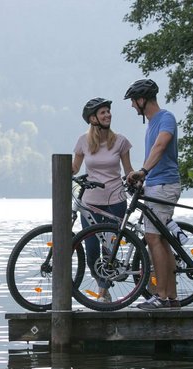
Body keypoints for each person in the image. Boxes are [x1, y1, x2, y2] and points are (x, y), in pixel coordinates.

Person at [124, 79, 183, 310]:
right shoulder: (151, 123)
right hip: (156, 184)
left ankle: (159, 296)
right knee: (162, 240)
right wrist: (143, 179)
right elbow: (154, 156)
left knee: (153, 239)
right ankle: (171, 297)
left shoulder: (165, 118)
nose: (131, 106)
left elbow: (160, 147)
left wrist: (143, 172)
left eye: (132, 101)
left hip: (164, 185)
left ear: (142, 100)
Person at [72, 97, 134, 301]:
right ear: (93, 118)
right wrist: (59, 170)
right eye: (103, 112)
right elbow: (75, 168)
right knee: (91, 250)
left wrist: (136, 180)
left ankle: (103, 293)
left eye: (108, 111)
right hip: (90, 203)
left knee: (109, 249)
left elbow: (128, 170)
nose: (108, 115)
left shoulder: (121, 141)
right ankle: (102, 284)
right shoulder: (83, 141)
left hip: (115, 200)